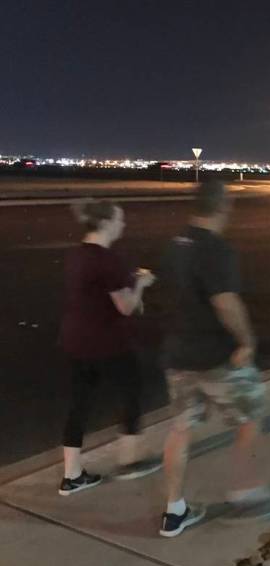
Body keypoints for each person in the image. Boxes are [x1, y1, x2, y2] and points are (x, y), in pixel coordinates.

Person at [159, 180, 267, 537]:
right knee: (249, 416)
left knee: (180, 428)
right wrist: (246, 341)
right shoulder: (217, 249)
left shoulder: (175, 244)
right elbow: (226, 303)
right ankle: (243, 490)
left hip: (177, 355)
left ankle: (174, 510)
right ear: (223, 207)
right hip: (217, 356)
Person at [58, 200, 160, 496]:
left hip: (75, 340)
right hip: (107, 342)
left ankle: (72, 475)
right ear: (105, 223)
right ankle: (129, 460)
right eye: (119, 220)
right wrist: (141, 283)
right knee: (131, 391)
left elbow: (95, 294)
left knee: (79, 403)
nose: (123, 224)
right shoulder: (107, 260)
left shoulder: (77, 255)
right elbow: (125, 307)